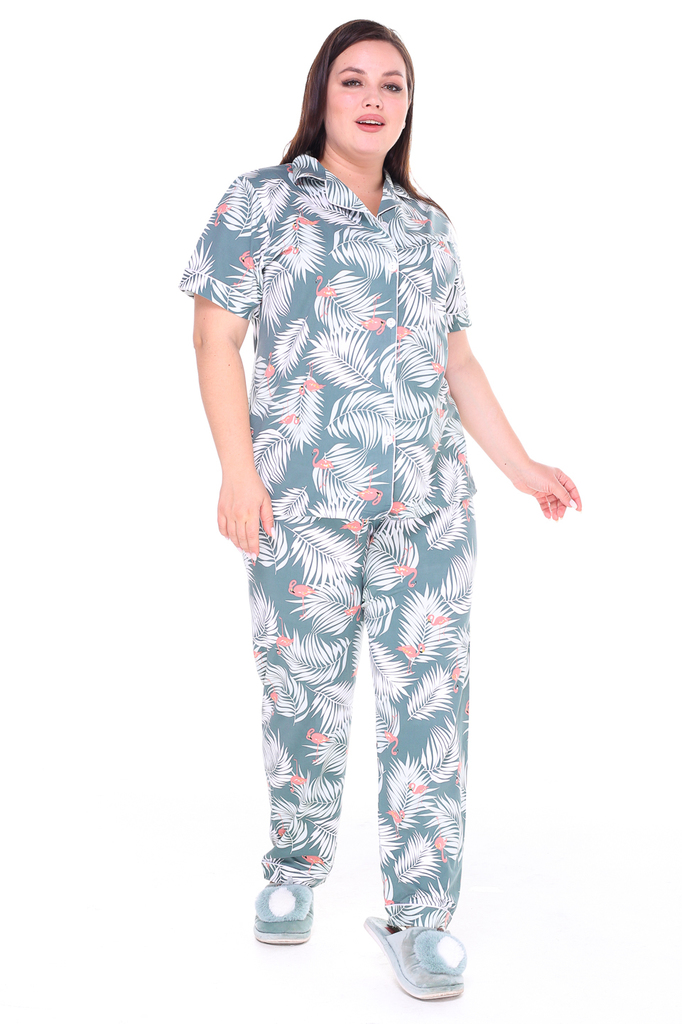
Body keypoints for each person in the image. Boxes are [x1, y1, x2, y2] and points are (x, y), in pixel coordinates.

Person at [178, 18, 582, 1001]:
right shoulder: (260, 201)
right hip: (298, 506)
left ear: (408, 106)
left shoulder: (427, 226)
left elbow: (457, 363)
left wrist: (520, 466)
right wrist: (237, 472)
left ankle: (420, 915)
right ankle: (294, 867)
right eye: (353, 80)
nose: (373, 99)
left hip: (428, 510)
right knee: (301, 698)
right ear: (322, 94)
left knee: (429, 708)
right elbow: (214, 339)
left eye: (392, 84)